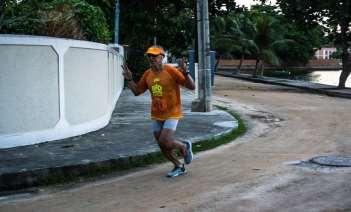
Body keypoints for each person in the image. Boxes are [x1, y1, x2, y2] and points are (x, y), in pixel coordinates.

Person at [121, 45, 196, 177]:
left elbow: (192, 86)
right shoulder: (147, 74)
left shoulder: (171, 71)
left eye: (154, 56)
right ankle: (178, 166)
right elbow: (137, 91)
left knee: (165, 141)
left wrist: (185, 73)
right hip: (157, 114)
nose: (151, 58)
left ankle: (184, 146)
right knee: (162, 145)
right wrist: (129, 79)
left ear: (162, 57)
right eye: (149, 56)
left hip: (173, 111)